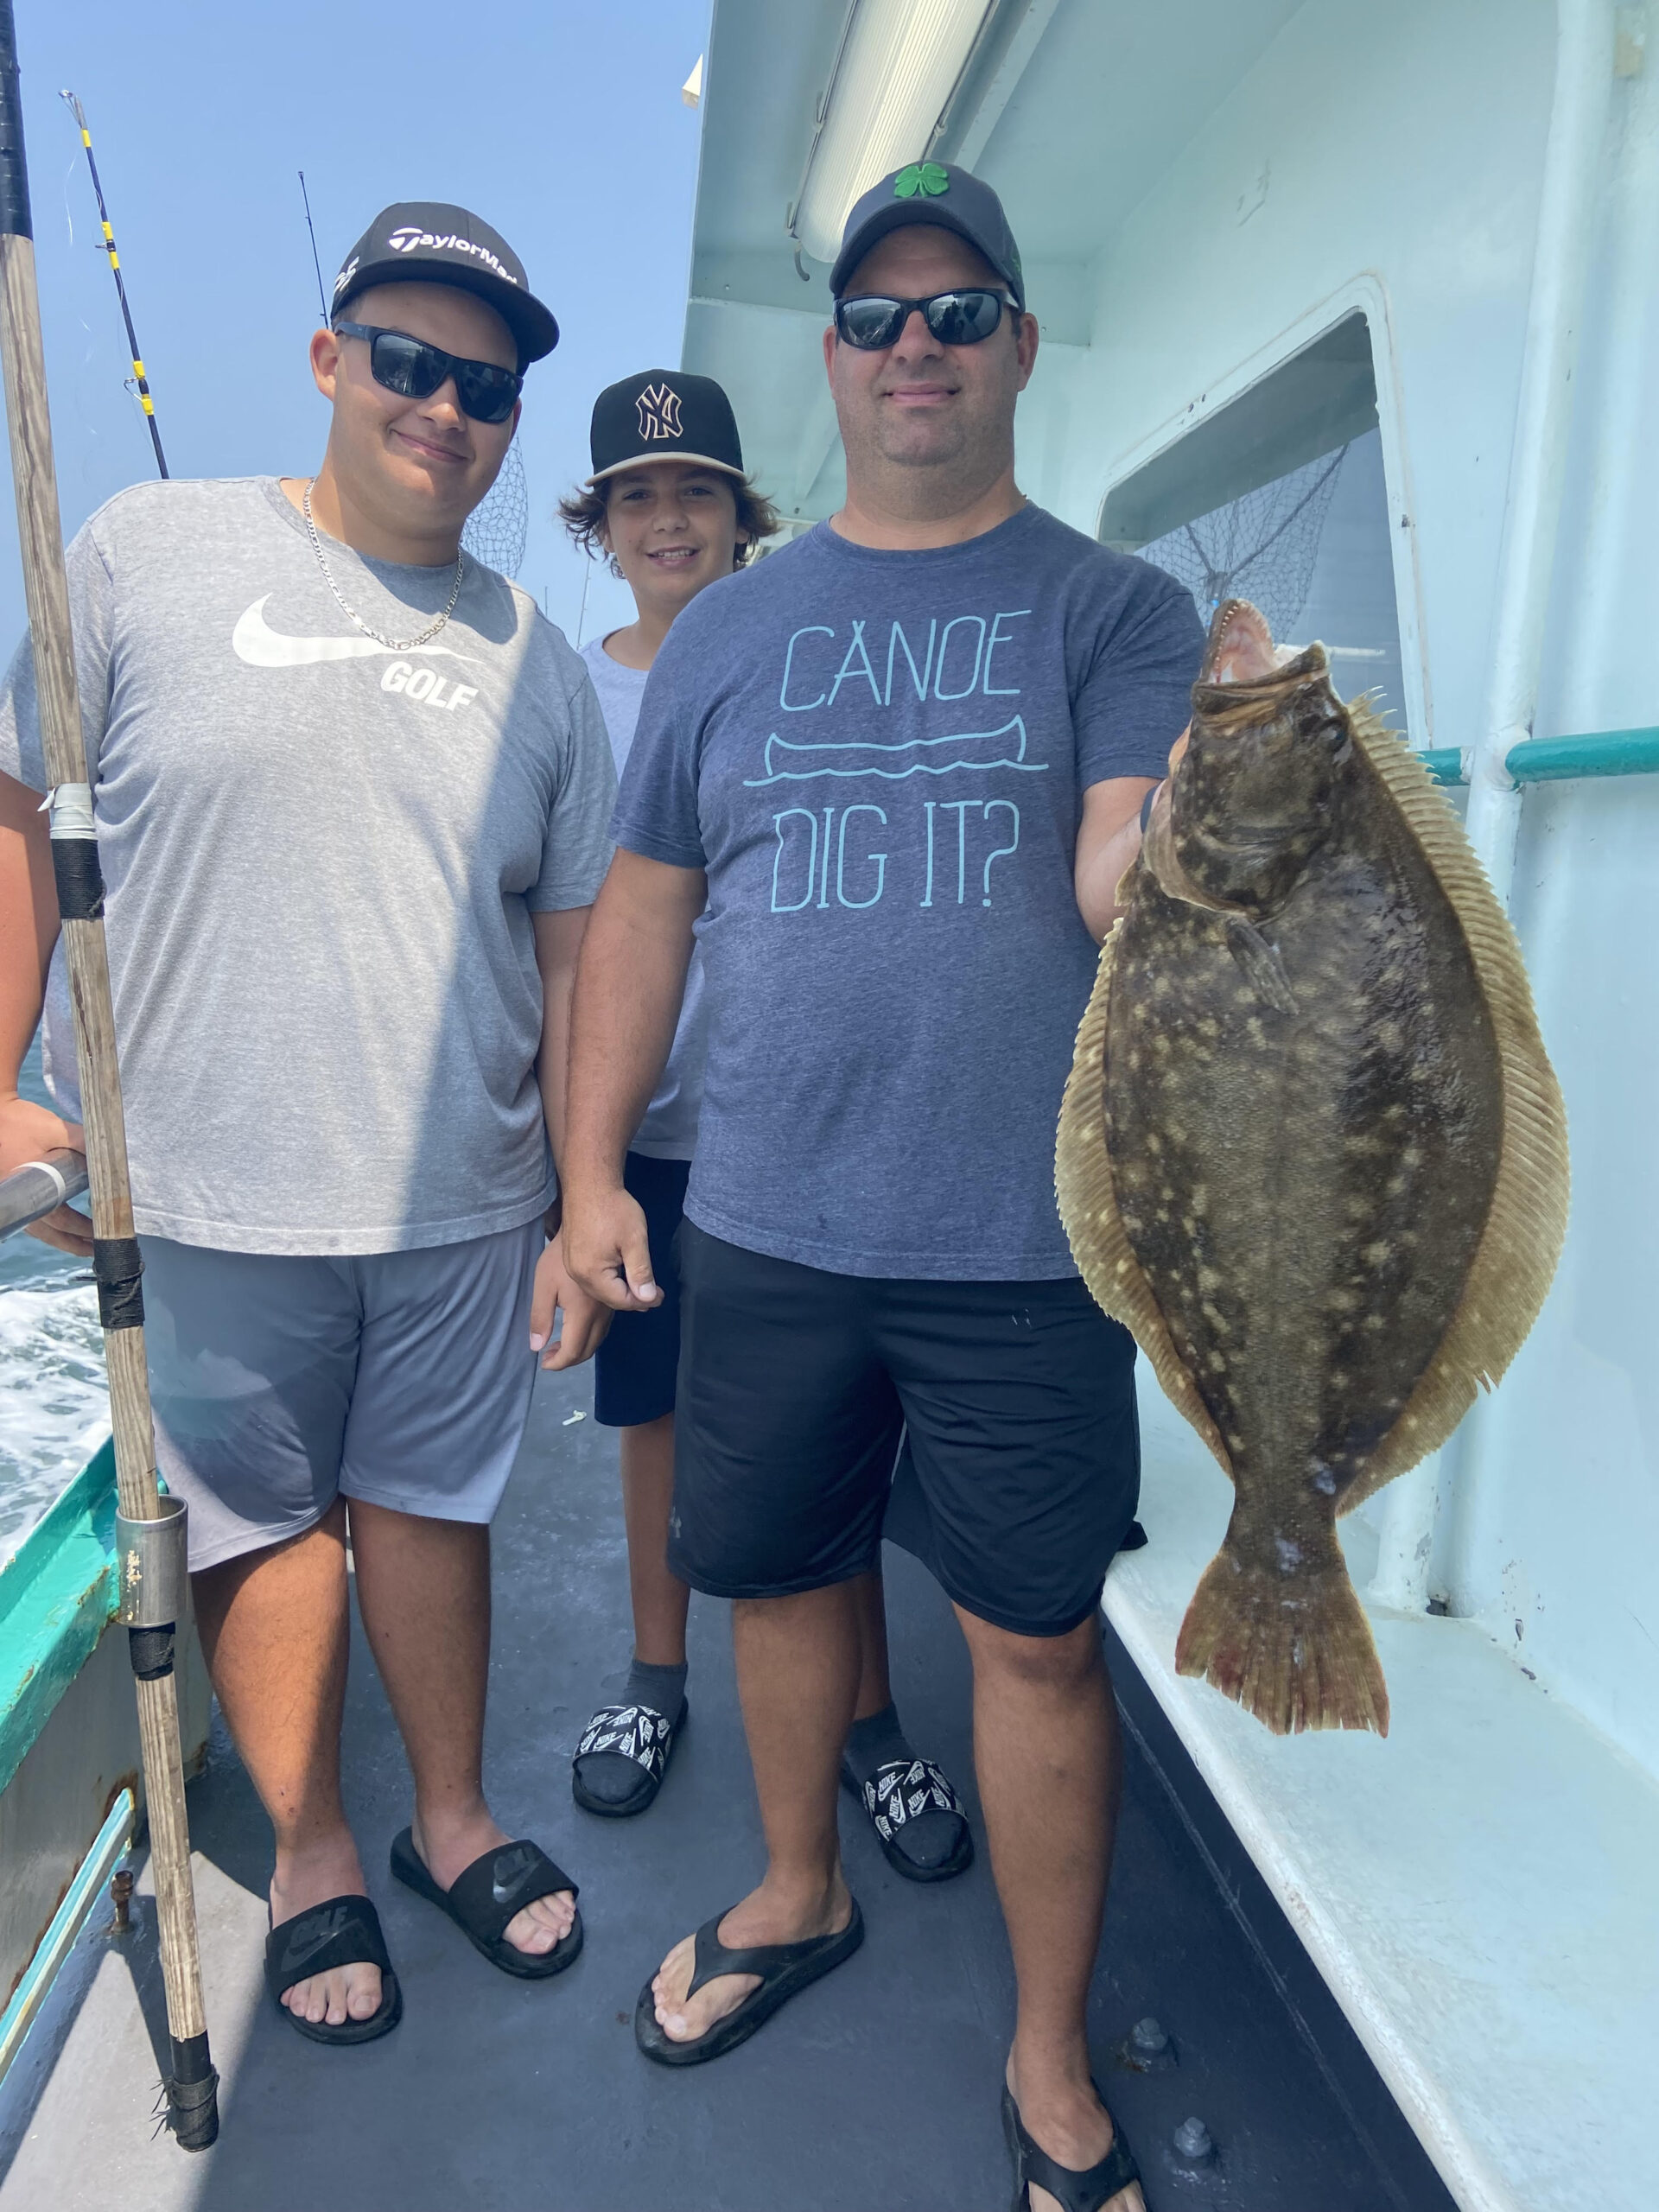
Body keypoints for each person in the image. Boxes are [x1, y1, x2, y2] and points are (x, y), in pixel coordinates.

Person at [563, 165, 1202, 2212]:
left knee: (1033, 1637)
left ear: (1018, 343)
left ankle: (1044, 2049)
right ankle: (794, 1886)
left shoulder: (1118, 607)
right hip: (758, 1218)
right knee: (769, 1575)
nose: (917, 344)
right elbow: (642, 919)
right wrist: (591, 1170)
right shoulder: (729, 631)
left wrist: (1198, 822)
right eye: (878, 314)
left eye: (961, 308)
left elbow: (1114, 869)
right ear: (830, 357)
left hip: (1028, 1238)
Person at [0, 201, 616, 2046]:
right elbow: (30, 819)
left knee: (434, 1511)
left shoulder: (543, 656)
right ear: (331, 356)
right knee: (259, 1525)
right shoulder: (137, 551)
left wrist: (586, 1191)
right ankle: (322, 1837)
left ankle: (449, 1816)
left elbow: (580, 950)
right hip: (198, 1185)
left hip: (461, 1197)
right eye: (410, 361)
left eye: (487, 386)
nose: (445, 406)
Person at [551, 371, 971, 1880]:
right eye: (640, 498)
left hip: (807, 1137)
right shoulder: (564, 687)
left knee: (833, 1438)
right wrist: (575, 1169)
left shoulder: (813, 644)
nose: (671, 520)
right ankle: (656, 1681)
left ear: (744, 514)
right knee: (653, 1417)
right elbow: (554, 929)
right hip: (656, 1137)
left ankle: (874, 1722)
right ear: (600, 527)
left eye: (700, 493)